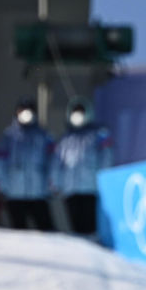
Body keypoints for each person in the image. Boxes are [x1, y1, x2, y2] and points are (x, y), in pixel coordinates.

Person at [51, 98, 112, 235]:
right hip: (70, 189)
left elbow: (106, 158)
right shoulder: (65, 139)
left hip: (91, 188)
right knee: (76, 226)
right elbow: (57, 164)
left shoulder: (98, 134)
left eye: (80, 112)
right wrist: (56, 184)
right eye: (75, 112)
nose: (77, 115)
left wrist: (102, 181)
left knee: (90, 226)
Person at [0, 99, 55, 231]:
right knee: (19, 232)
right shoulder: (8, 136)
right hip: (14, 193)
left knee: (47, 230)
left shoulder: (44, 136)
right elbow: (1, 164)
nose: (26, 114)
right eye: (23, 110)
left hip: (38, 193)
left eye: (30, 110)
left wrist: (51, 185)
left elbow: (52, 163)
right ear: (17, 112)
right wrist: (2, 186)